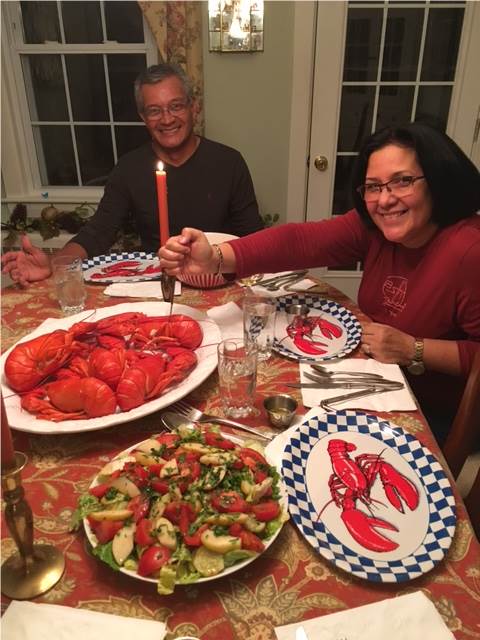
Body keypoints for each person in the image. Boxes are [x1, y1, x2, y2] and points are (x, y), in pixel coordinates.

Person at [160, 122, 480, 444]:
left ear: (436, 179)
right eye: (373, 186)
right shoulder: (373, 227)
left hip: (431, 411)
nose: (384, 200)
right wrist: (214, 258)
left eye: (402, 181)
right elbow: (299, 242)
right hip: (378, 378)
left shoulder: (469, 250)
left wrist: (414, 348)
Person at [2, 63, 263, 286]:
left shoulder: (229, 162)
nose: (167, 119)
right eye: (154, 110)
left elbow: (253, 238)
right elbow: (98, 232)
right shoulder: (129, 168)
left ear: (193, 107)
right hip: (156, 286)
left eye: (176, 106)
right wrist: (52, 264)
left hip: (217, 283)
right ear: (143, 117)